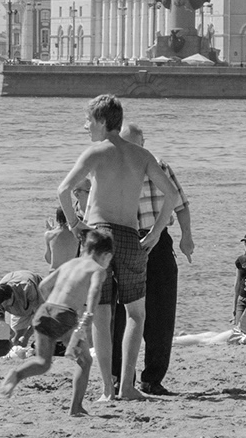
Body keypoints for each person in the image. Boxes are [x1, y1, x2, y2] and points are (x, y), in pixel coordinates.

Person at [56, 94, 179, 401]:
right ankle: (127, 386)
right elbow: (172, 194)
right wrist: (157, 230)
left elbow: (63, 189)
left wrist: (74, 224)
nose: (85, 127)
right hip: (128, 235)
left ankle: (107, 390)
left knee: (101, 314)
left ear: (101, 121)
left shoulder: (95, 152)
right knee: (136, 314)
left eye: (88, 121)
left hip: (99, 236)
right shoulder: (142, 155)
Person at [110, 123, 195, 396]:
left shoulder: (160, 166)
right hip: (125, 240)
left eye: (139, 145)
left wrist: (186, 237)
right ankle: (122, 378)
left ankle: (152, 379)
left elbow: (180, 203)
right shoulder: (112, 168)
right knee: (121, 313)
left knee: (162, 312)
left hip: (158, 242)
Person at [1, 228, 114, 415]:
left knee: (43, 362)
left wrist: (53, 306)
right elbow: (94, 291)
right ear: (106, 255)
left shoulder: (70, 264)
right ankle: (76, 407)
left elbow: (43, 286)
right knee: (85, 360)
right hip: (65, 315)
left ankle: (17, 374)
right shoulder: (98, 269)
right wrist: (87, 316)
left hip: (44, 311)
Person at [0, 270, 45, 357]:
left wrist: (27, 336)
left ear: (12, 295)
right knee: (17, 340)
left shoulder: (27, 287)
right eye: (2, 306)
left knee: (44, 328)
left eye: (6, 304)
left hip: (39, 294)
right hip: (19, 309)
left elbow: (40, 315)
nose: (4, 307)